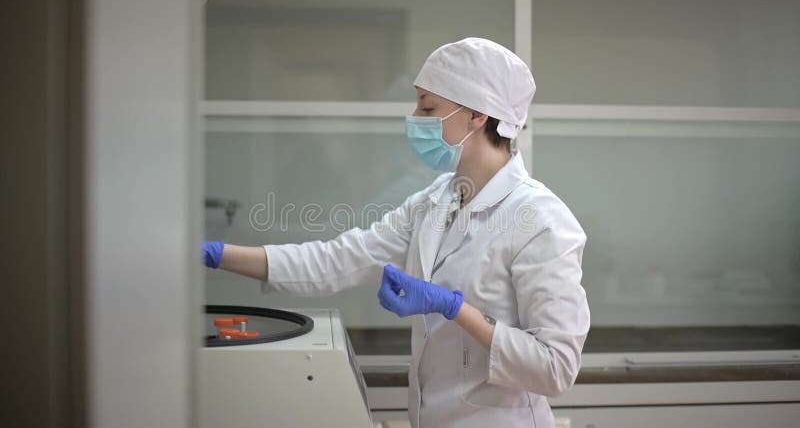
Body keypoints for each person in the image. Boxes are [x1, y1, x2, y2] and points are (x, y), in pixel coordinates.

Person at [203, 37, 590, 428]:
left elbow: (555, 369)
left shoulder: (540, 219)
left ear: (476, 115)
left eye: (428, 106)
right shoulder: (434, 201)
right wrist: (220, 255)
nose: (415, 117)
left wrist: (456, 310)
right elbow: (340, 259)